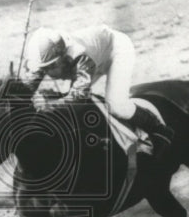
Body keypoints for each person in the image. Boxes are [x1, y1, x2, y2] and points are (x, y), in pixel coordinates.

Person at [22, 25, 174, 152]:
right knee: (57, 99)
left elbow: (80, 96)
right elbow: (27, 87)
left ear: (62, 55)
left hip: (116, 51)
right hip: (92, 56)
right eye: (44, 68)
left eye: (52, 66)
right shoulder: (45, 56)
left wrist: (49, 105)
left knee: (116, 105)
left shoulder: (80, 55)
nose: (47, 71)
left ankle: (159, 130)